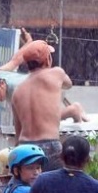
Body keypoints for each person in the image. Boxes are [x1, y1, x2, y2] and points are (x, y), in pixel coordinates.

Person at [9, 40, 76, 171]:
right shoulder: (57, 74)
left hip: (24, 147)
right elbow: (69, 84)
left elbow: (18, 132)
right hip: (49, 144)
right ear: (48, 59)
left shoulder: (17, 91)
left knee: (30, 190)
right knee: (54, 189)